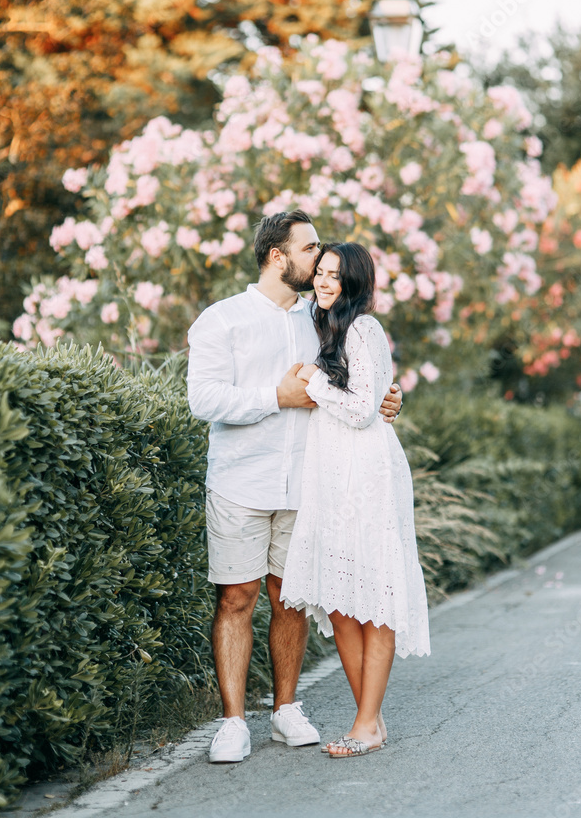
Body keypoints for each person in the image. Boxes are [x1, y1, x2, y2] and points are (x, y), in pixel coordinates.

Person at [186, 212, 403, 764]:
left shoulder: (324, 316)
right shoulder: (223, 320)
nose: (319, 260)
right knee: (236, 598)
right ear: (279, 256)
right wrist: (275, 396)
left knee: (293, 600)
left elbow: (359, 378)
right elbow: (204, 400)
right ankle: (233, 721)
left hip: (313, 482)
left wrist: (388, 397)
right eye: (310, 250)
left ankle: (286, 709)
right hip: (241, 478)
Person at [280, 242, 431, 759]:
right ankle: (372, 718)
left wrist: (314, 381)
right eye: (320, 273)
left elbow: (366, 409)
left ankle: (365, 725)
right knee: (342, 603)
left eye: (335, 276)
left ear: (355, 283)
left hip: (366, 474)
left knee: (375, 602)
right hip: (328, 474)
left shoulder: (365, 328)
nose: (324, 282)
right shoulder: (321, 324)